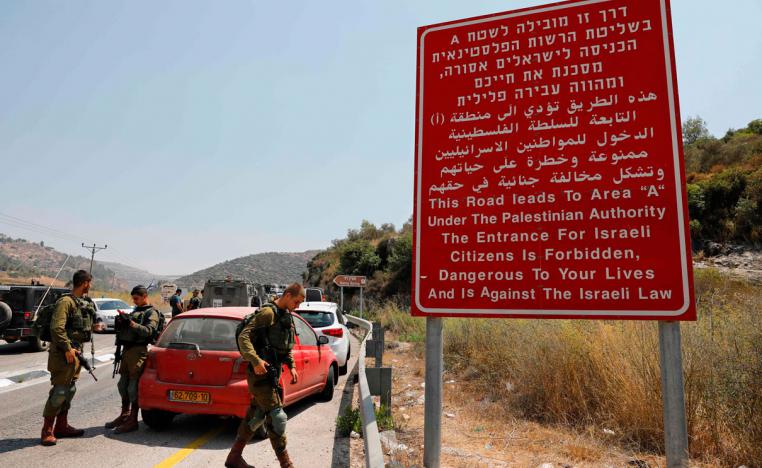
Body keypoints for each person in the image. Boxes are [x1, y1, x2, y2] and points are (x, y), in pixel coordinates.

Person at [225, 283, 304, 468]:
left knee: (256, 416)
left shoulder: (285, 315)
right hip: (260, 374)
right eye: (296, 301)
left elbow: (284, 346)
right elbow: (243, 336)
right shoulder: (268, 313)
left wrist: (291, 366)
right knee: (277, 417)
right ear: (287, 295)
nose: (297, 306)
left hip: (272, 373)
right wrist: (255, 361)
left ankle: (234, 457)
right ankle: (287, 464)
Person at [40, 269, 97, 446]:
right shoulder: (65, 302)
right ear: (85, 283)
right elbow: (57, 328)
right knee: (59, 392)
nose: (90, 286)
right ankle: (47, 430)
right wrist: (66, 348)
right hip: (62, 354)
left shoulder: (81, 302)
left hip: (75, 353)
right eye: (90, 283)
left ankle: (61, 426)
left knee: (69, 390)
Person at [104, 285, 160, 434]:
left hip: (138, 351)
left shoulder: (151, 312)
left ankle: (133, 420)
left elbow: (148, 331)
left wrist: (131, 323)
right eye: (133, 298)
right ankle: (125, 414)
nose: (134, 301)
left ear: (144, 296)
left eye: (136, 298)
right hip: (127, 351)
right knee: (122, 385)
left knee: (133, 387)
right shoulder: (136, 310)